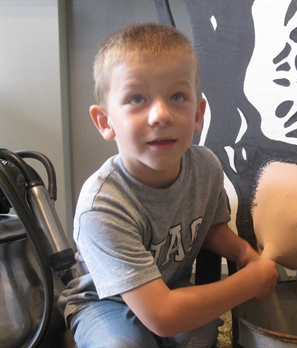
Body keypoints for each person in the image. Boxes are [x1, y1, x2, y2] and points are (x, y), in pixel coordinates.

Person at [59, 22, 279, 347]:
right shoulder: (102, 206)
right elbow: (162, 316)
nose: (161, 114)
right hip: (103, 303)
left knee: (199, 335)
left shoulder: (206, 167)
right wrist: (250, 281)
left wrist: (243, 252)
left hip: (168, 289)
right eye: (136, 99)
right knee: (126, 345)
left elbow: (209, 226)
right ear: (105, 122)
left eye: (177, 96)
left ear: (198, 114)